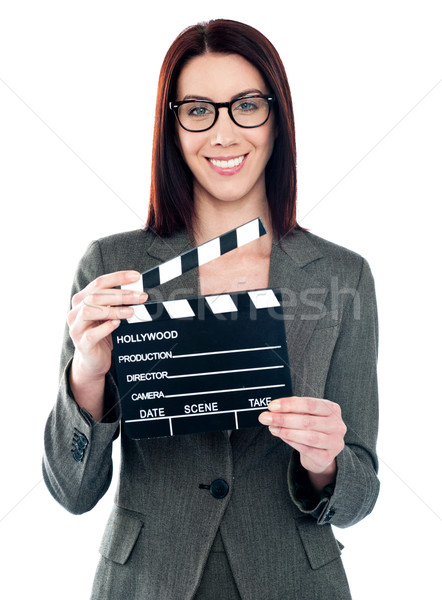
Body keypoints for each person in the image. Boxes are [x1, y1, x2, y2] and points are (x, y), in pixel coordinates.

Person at [43, 19, 379, 600]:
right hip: (146, 582)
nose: (223, 133)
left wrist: (326, 464)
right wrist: (87, 374)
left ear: (277, 118)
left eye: (246, 105)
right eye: (198, 109)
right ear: (172, 125)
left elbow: (360, 493)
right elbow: (72, 492)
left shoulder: (341, 276)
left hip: (293, 582)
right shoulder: (111, 266)